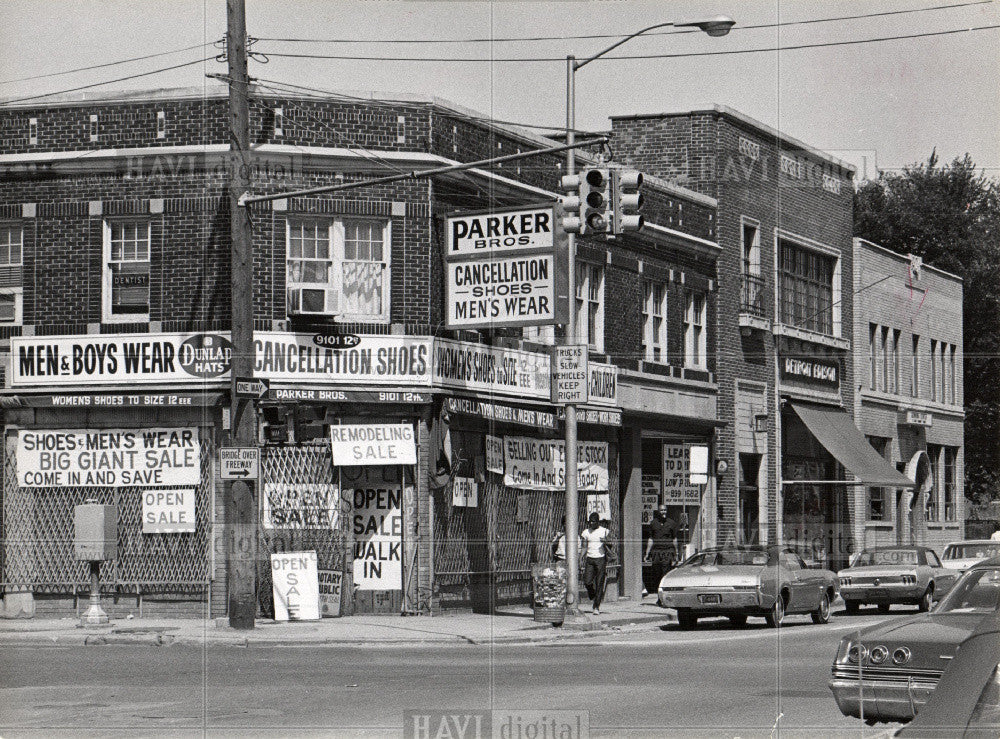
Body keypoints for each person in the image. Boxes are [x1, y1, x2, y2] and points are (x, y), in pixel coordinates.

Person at [580, 512, 614, 614]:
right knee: (587, 581)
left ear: (597, 522)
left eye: (593, 521)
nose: (591, 523)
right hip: (590, 558)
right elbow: (584, 547)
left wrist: (605, 541)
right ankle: (592, 593)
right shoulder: (586, 532)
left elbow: (611, 543)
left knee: (599, 582)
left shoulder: (604, 531)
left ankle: (596, 606)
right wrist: (580, 557)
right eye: (590, 521)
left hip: (600, 558)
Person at [644, 505, 678, 589]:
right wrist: (647, 554)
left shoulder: (671, 523)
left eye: (665, 510)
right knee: (657, 573)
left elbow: (674, 539)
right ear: (658, 511)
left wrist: (676, 553)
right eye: (662, 510)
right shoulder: (653, 523)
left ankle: (663, 593)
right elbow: (651, 539)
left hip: (667, 551)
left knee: (665, 572)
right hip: (656, 552)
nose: (664, 512)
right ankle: (659, 593)